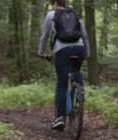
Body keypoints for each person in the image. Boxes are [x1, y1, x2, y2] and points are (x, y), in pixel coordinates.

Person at [38, 0, 89, 131]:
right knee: (76, 72)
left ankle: (60, 118)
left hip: (62, 51)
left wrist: (41, 52)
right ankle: (80, 94)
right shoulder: (75, 14)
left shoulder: (51, 15)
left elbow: (45, 36)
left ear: (55, 3)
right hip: (79, 49)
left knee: (62, 82)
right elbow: (84, 35)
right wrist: (87, 52)